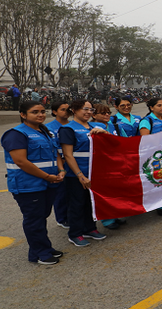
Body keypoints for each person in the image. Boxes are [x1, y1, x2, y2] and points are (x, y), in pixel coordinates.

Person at [1, 101, 66, 264]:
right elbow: (21, 161)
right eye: (35, 112)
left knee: (41, 217)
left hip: (47, 183)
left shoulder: (44, 131)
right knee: (34, 219)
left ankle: (43, 248)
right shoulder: (17, 134)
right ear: (23, 115)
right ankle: (40, 254)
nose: (40, 115)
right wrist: (47, 176)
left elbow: (55, 153)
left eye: (43, 111)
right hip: (28, 186)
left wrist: (60, 170)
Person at [60, 99, 109, 247]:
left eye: (91, 110)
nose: (88, 112)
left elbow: (111, 144)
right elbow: (68, 155)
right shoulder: (68, 129)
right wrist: (80, 175)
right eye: (84, 109)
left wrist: (104, 132)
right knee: (77, 203)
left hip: (95, 172)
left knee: (91, 203)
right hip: (77, 175)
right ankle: (75, 233)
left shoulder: (96, 126)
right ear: (74, 110)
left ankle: (90, 228)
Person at [90, 104, 130, 229]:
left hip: (117, 163)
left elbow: (126, 142)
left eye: (108, 112)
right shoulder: (91, 129)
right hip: (101, 166)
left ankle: (116, 215)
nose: (107, 115)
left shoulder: (116, 126)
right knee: (104, 193)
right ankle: (107, 220)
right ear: (94, 115)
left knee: (117, 191)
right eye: (103, 113)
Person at [45, 101, 70, 229]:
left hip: (73, 162)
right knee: (61, 192)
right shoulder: (48, 128)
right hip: (59, 162)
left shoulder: (73, 125)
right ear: (54, 112)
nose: (66, 112)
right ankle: (62, 218)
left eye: (68, 109)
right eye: (63, 109)